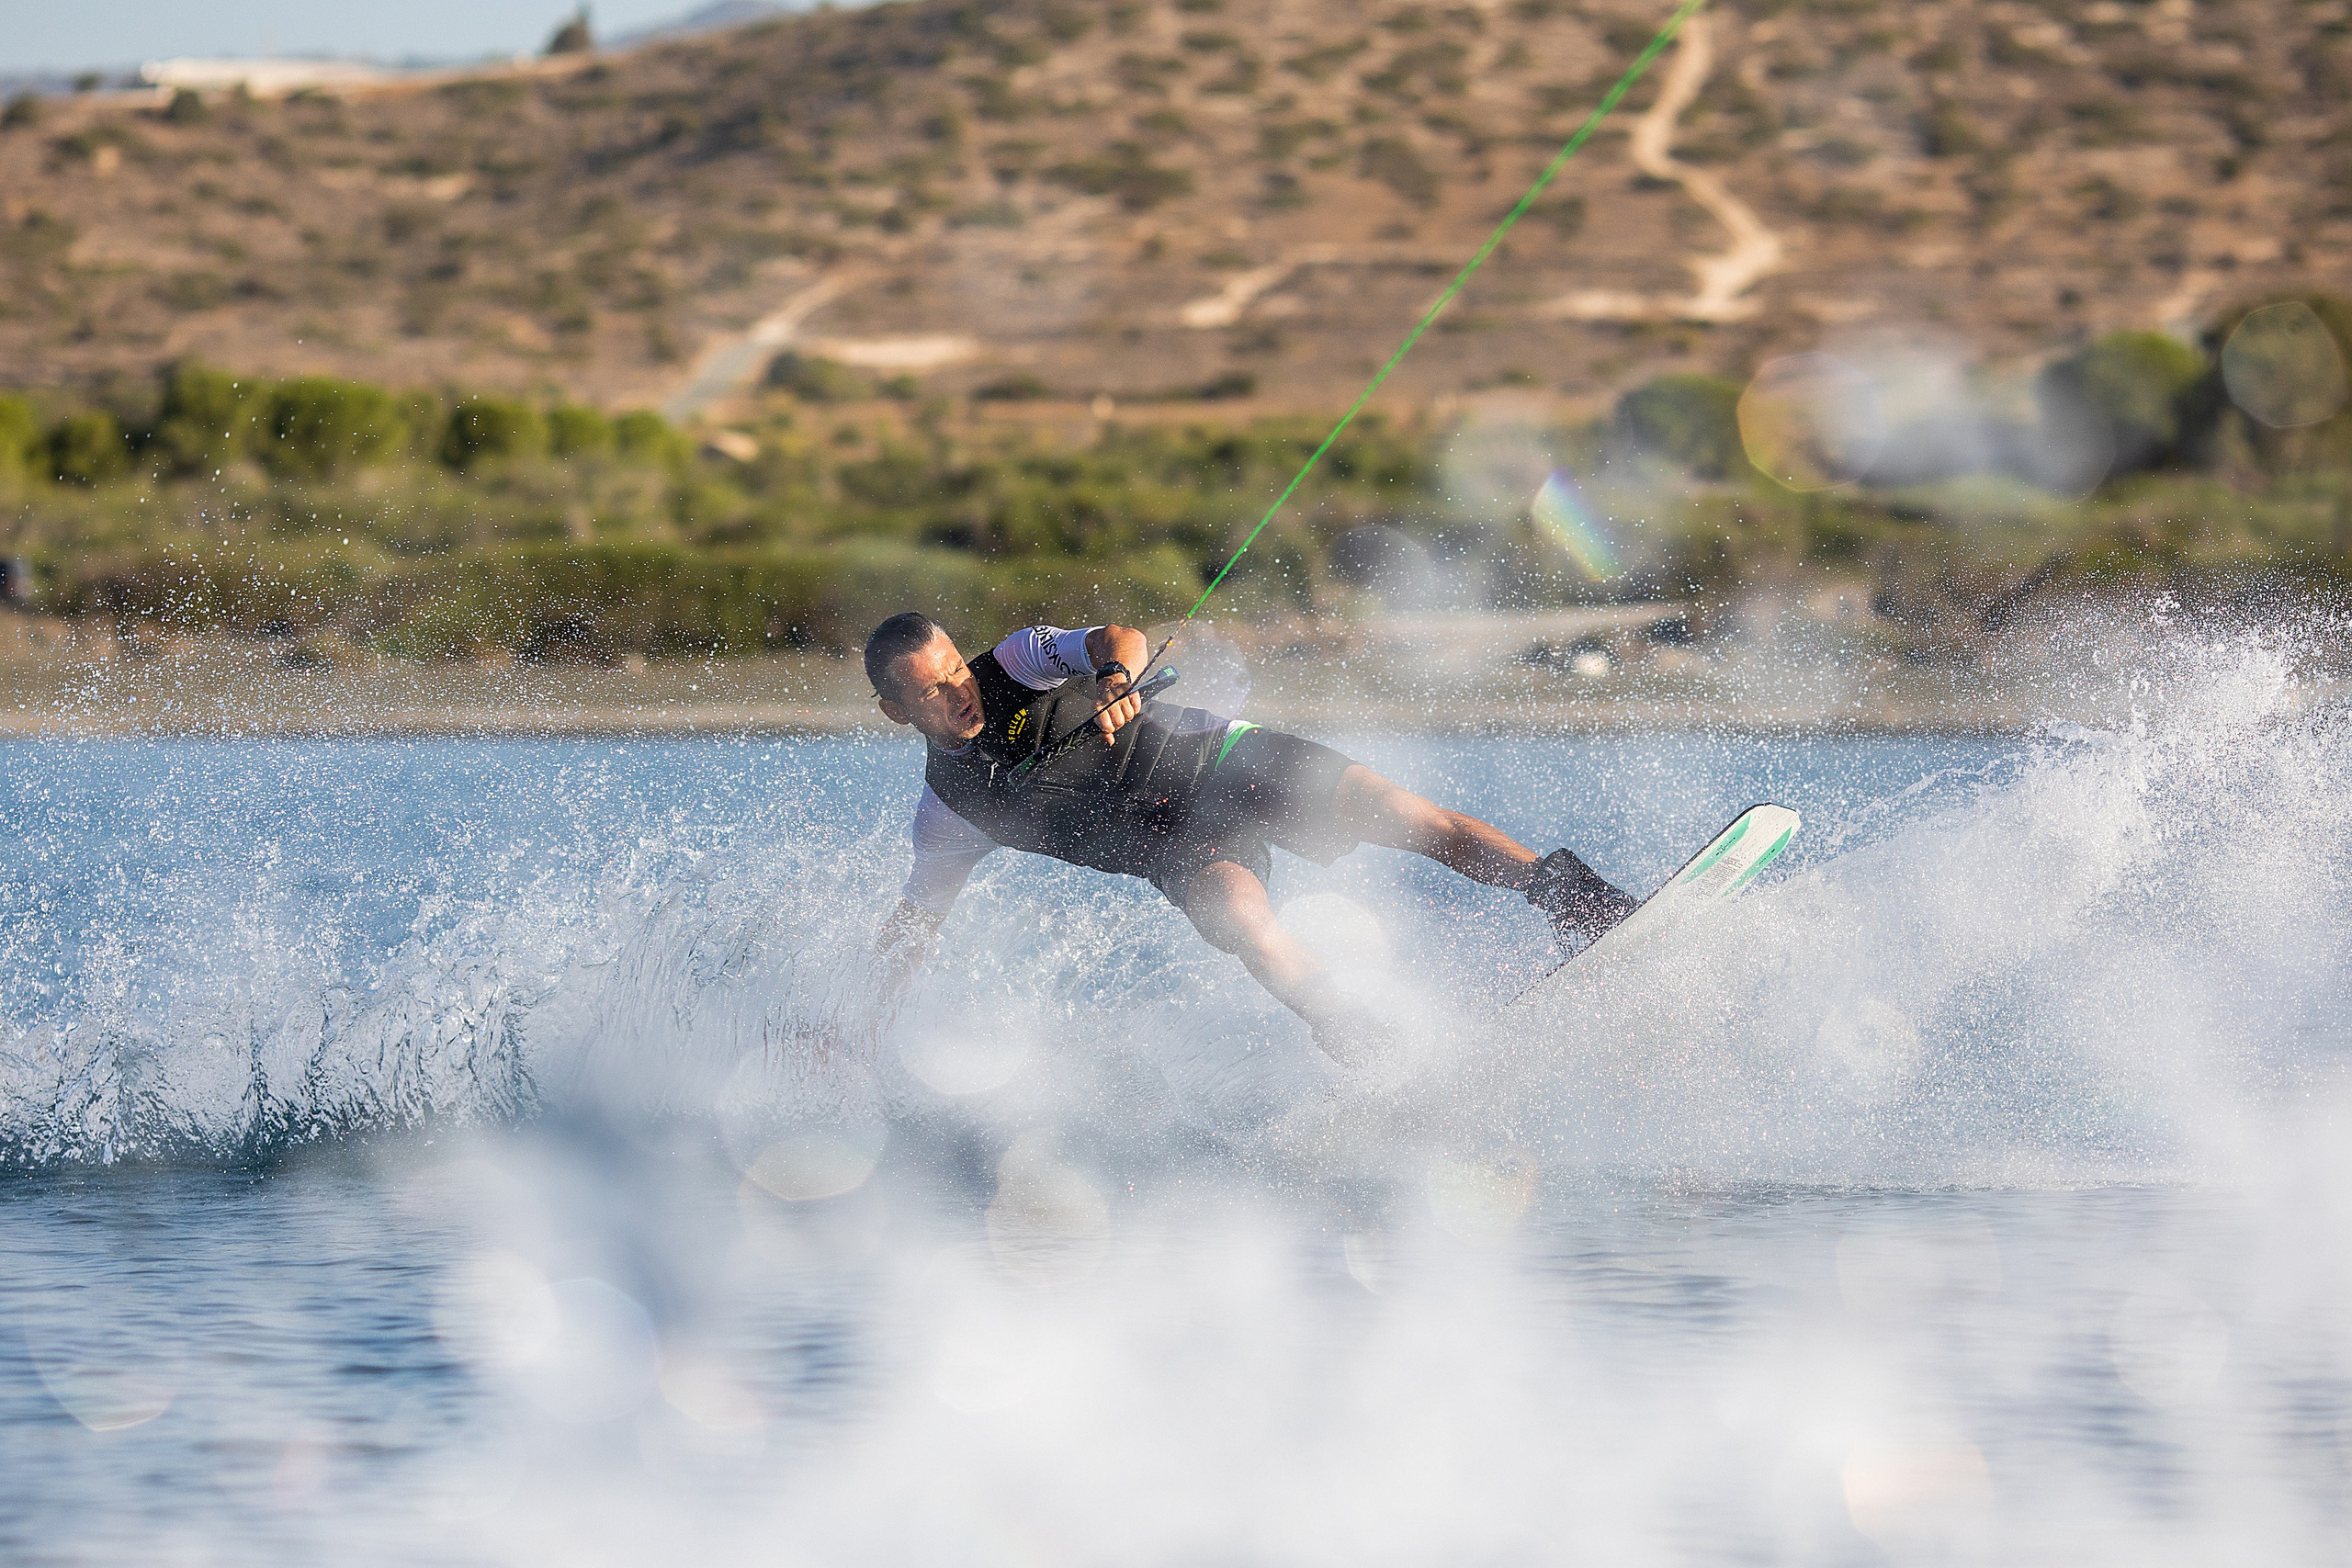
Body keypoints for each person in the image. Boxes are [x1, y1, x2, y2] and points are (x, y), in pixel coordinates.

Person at [866, 612, 1636, 1063]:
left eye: (952, 670)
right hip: (1176, 845)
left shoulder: (1012, 663)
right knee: (1245, 924)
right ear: (896, 711)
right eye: (930, 690)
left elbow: (1118, 635)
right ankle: (1371, 1047)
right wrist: (858, 1021)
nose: (957, 691)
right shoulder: (948, 814)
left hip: (1221, 760)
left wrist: (1112, 679)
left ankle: (1579, 900)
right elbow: (915, 927)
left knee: (1405, 816)